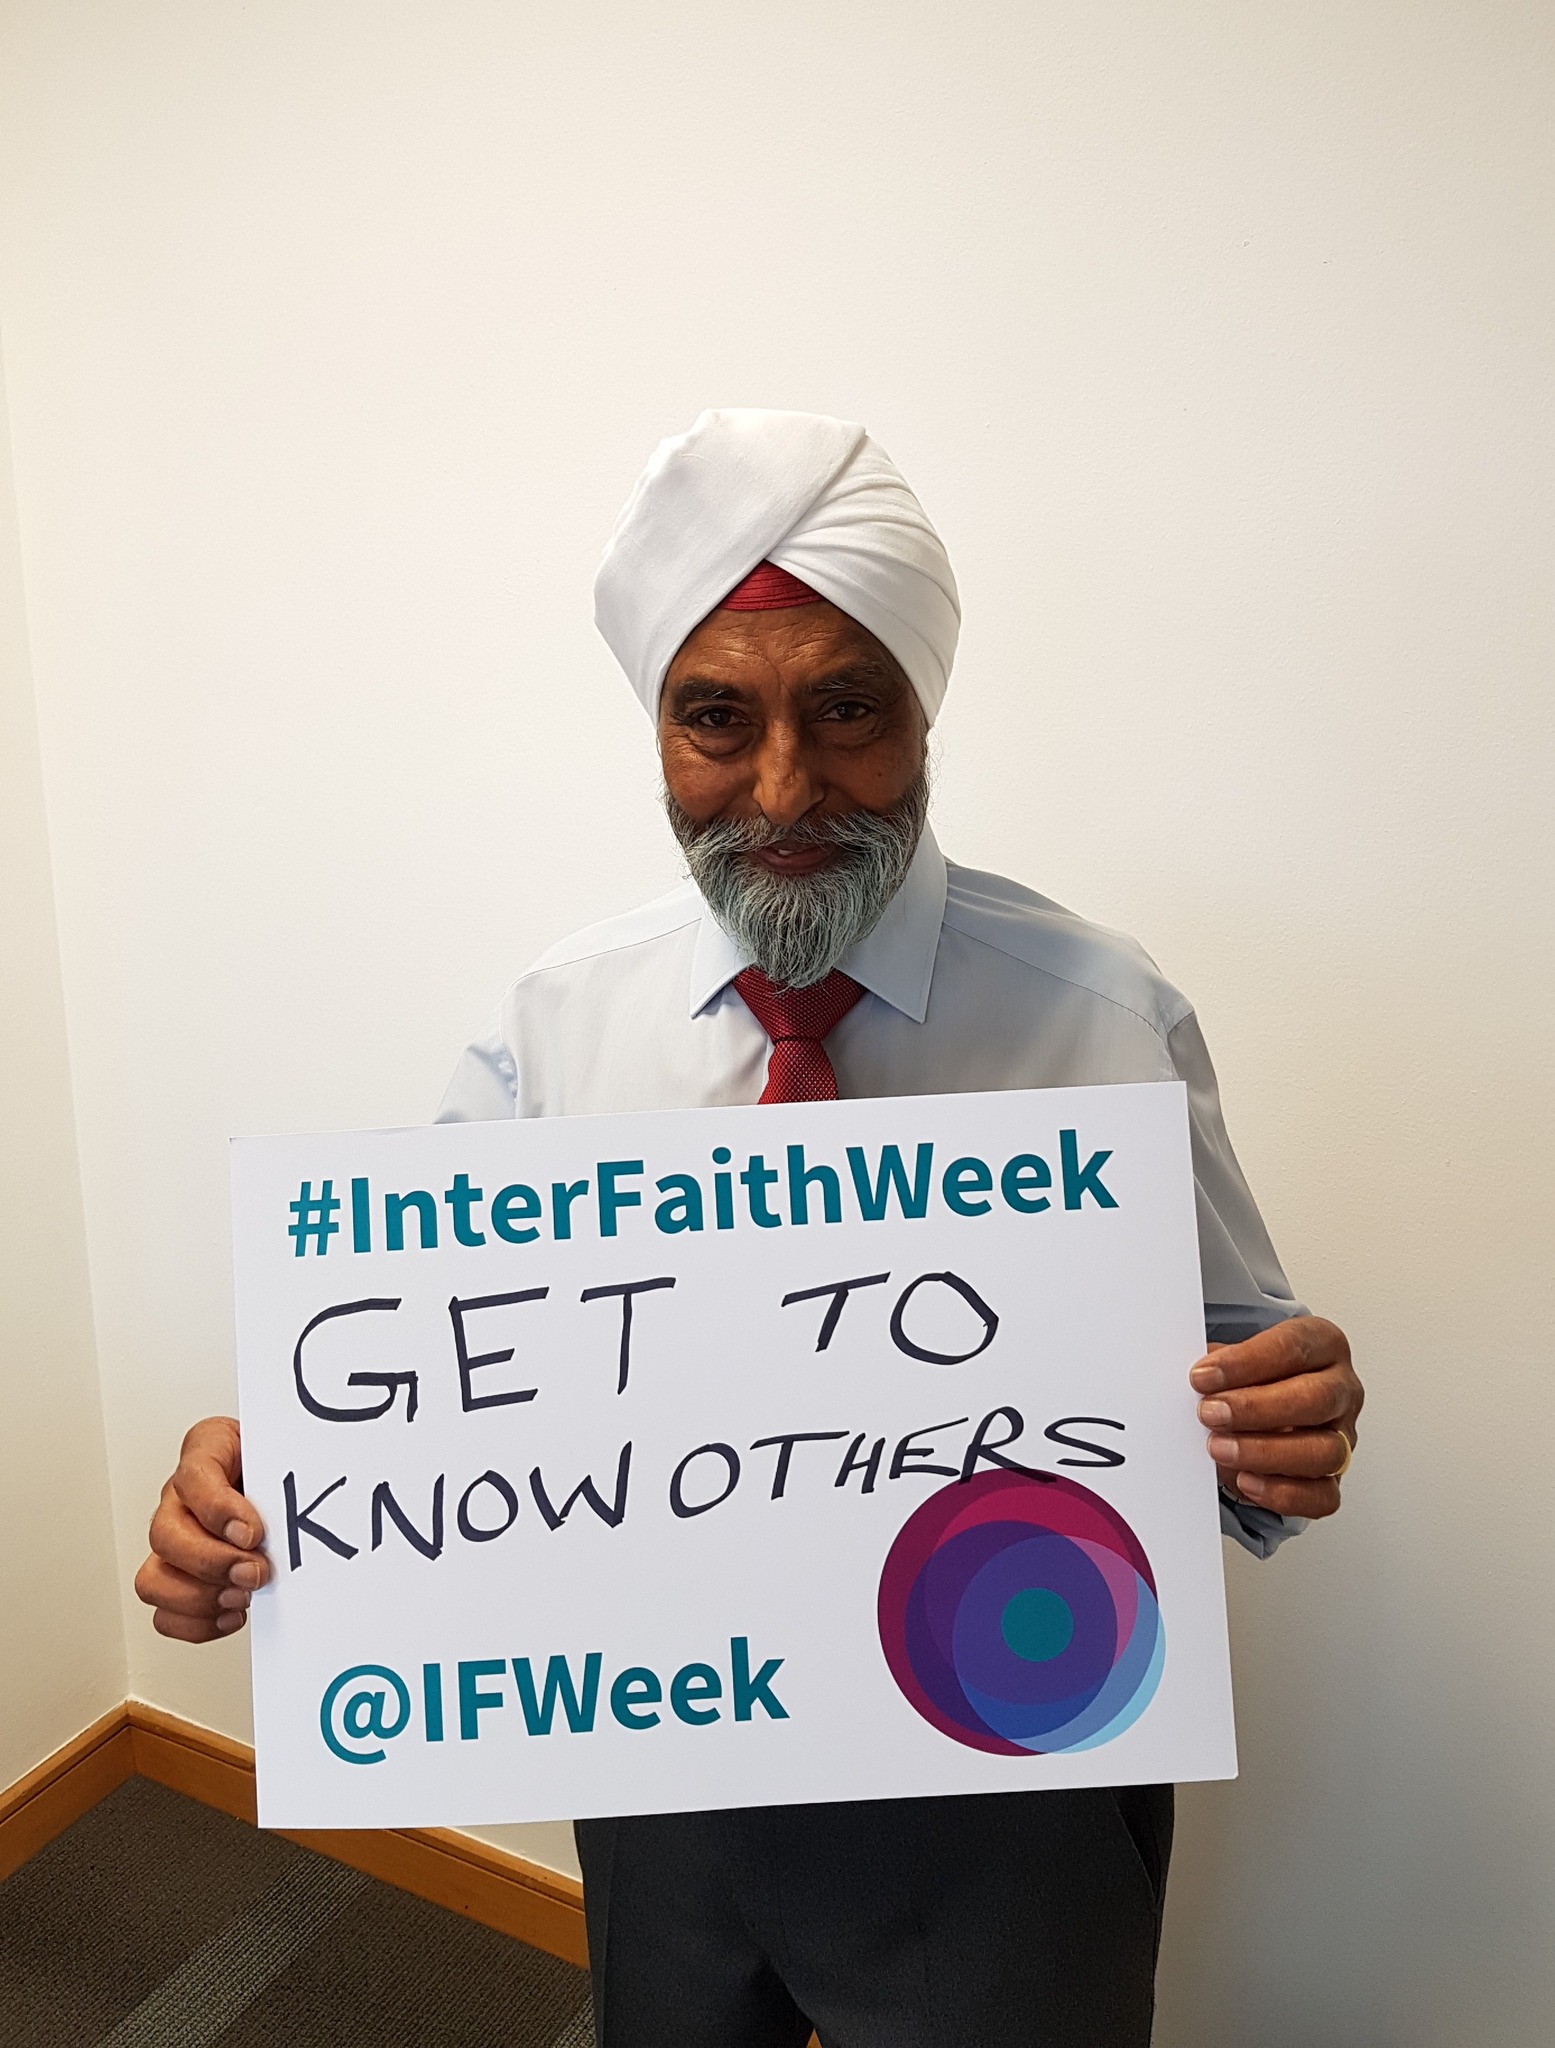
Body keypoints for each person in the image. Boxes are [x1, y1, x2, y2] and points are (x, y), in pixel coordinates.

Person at [136, 409, 1364, 2047]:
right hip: (670, 1775)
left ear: (925, 713)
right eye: (718, 719)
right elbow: (411, 1405)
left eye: (846, 709)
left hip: (1002, 1780)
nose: (783, 788)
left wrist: (1281, 1431)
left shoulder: (1109, 1014)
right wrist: (254, 1489)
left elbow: (1238, 1392)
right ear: (657, 729)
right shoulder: (553, 1028)